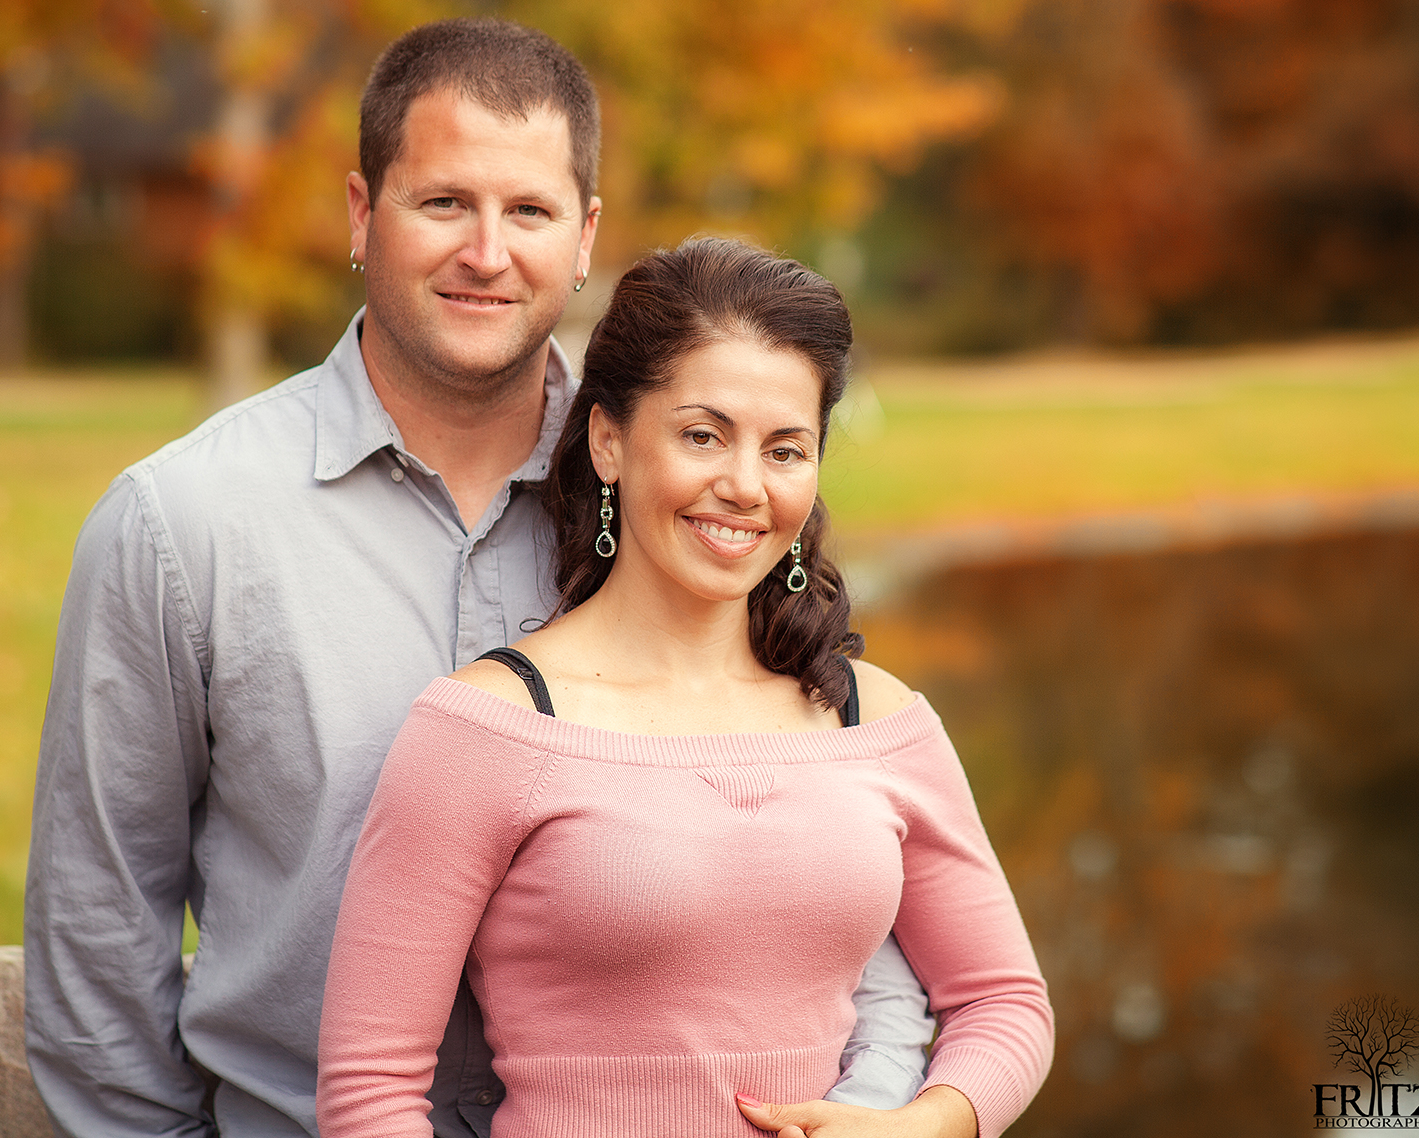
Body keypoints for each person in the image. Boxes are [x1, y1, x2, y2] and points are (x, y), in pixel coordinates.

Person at [25, 20, 936, 1138]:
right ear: (364, 214)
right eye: (444, 202)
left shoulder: (681, 503)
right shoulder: (182, 526)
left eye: (531, 212)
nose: (487, 253)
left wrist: (883, 1107)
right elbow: (99, 932)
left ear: (586, 235)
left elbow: (846, 869)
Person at [316, 238, 1055, 1138]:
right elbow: (369, 1091)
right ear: (610, 440)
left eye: (786, 450)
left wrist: (926, 1123)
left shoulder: (875, 718)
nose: (744, 486)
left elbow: (1005, 1001)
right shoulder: (488, 728)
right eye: (703, 435)